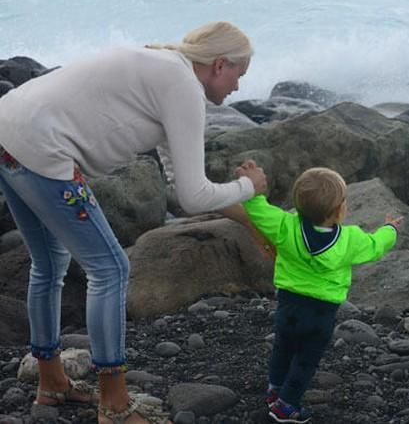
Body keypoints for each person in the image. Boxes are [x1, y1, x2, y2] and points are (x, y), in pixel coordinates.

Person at [0, 21, 266, 423]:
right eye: (238, 75)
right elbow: (194, 198)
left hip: (8, 130)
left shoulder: (164, 66)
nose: (238, 88)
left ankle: (52, 382)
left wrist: (253, 222)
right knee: (110, 268)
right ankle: (115, 405)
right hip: (43, 147)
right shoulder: (183, 88)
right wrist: (248, 185)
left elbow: (181, 184)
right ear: (219, 64)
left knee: (49, 263)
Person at [238, 165, 402, 423]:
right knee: (305, 361)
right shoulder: (350, 240)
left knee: (282, 348)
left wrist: (251, 187)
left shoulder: (284, 226)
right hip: (321, 314)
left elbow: (258, 211)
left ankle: (275, 391)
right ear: (339, 210)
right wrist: (390, 229)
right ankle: (287, 405)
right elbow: (376, 245)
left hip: (288, 306)